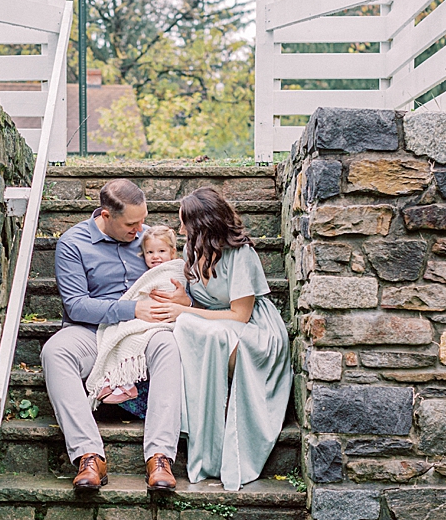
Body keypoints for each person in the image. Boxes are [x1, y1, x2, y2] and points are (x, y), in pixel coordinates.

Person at [44, 179, 190, 492]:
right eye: (132, 224)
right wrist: (131, 309)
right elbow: (76, 305)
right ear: (106, 216)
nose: (140, 230)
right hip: (91, 332)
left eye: (143, 220)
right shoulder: (74, 243)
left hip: (142, 333)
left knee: (168, 344)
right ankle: (89, 455)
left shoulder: (148, 237)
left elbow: (176, 275)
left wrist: (183, 300)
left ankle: (160, 457)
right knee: (55, 352)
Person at [150, 186, 292, 491]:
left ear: (202, 224)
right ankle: (206, 429)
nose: (180, 229)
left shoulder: (241, 253)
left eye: (184, 222)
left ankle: (224, 434)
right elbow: (205, 307)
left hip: (254, 329)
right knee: (188, 326)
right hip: (217, 325)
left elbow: (240, 315)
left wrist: (186, 313)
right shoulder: (192, 250)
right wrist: (184, 303)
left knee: (196, 327)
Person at [87, 226, 184, 406]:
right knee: (121, 330)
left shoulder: (176, 269)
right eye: (150, 252)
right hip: (146, 314)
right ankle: (116, 379)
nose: (155, 256)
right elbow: (140, 294)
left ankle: (123, 381)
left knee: (130, 334)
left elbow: (170, 290)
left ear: (173, 252)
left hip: (165, 317)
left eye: (161, 251)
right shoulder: (149, 272)